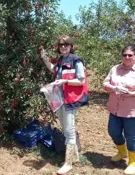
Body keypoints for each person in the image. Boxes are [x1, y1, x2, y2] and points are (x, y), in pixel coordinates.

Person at [102, 44, 135, 175]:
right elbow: (105, 84)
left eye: (130, 55)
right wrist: (114, 88)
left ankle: (133, 162)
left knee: (131, 136)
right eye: (124, 54)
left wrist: (131, 93)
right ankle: (122, 152)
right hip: (115, 109)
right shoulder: (115, 69)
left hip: (133, 111)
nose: (127, 57)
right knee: (113, 131)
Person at [40, 35, 89, 174]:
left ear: (71, 46)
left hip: (70, 99)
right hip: (59, 98)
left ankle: (68, 163)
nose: (63, 47)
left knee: (69, 130)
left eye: (66, 45)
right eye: (61, 45)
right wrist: (44, 58)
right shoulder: (61, 60)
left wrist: (64, 82)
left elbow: (81, 80)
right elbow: (53, 70)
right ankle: (74, 157)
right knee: (66, 127)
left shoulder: (76, 60)